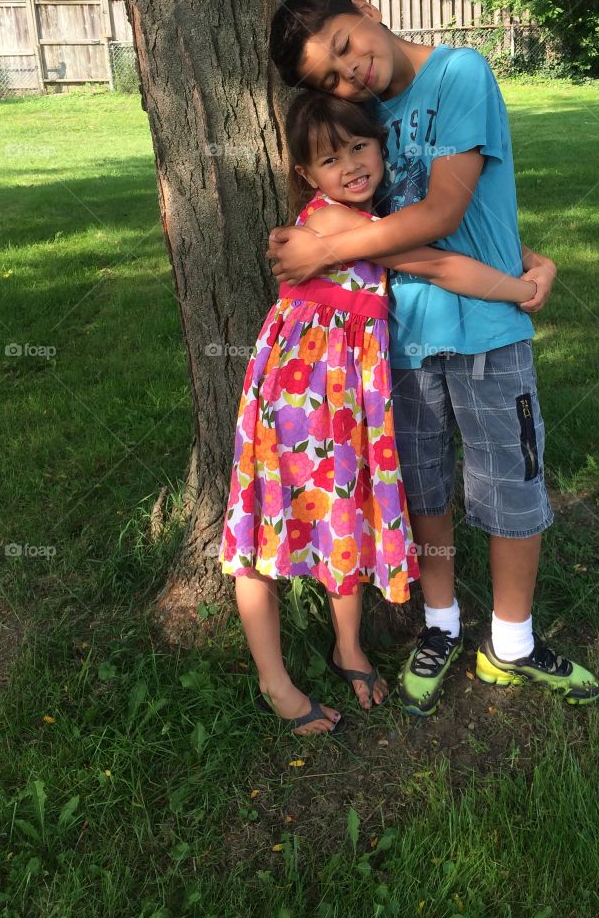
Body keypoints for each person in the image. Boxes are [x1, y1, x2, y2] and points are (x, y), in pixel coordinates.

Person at [266, 0, 599, 716]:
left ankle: (512, 642)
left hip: (488, 331)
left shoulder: (459, 74)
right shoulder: (361, 124)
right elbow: (395, 217)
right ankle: (440, 625)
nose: (349, 75)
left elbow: (449, 210)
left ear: (363, 6)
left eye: (345, 48)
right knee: (423, 490)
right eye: (328, 77)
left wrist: (324, 247)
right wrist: (530, 259)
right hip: (399, 343)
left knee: (511, 487)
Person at [219, 90, 539, 736]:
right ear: (307, 177)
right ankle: (274, 681)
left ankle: (348, 648)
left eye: (361, 146)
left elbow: (451, 234)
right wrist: (518, 289)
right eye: (330, 159)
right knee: (261, 531)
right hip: (294, 398)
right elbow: (434, 261)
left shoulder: (377, 214)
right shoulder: (337, 225)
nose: (352, 166)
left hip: (340, 401)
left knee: (341, 516)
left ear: (381, 145)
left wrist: (532, 257)